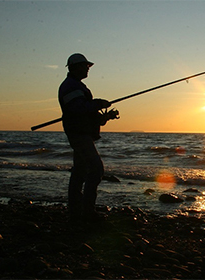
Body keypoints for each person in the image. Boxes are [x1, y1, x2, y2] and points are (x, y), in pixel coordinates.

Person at [58, 53, 118, 222]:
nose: (88, 69)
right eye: (85, 66)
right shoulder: (71, 86)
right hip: (79, 134)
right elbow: (78, 109)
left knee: (79, 172)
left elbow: (85, 113)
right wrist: (98, 103)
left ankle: (76, 211)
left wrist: (105, 116)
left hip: (82, 133)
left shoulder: (75, 86)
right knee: (96, 169)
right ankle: (87, 211)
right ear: (75, 67)